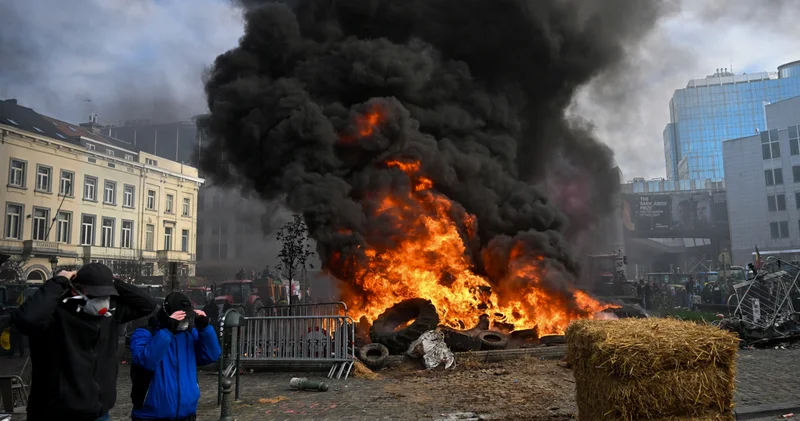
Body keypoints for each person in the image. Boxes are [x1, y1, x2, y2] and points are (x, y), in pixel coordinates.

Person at [12, 263, 156, 421]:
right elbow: (26, 319)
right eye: (95, 294)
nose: (102, 300)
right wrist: (59, 281)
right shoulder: (54, 314)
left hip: (99, 413)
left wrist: (111, 281)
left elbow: (147, 305)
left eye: (106, 294)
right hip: (56, 414)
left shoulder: (110, 315)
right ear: (76, 289)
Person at [130, 292, 221, 421]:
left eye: (186, 317)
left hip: (186, 413)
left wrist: (205, 329)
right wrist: (167, 330)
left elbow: (211, 355)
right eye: (180, 318)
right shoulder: (145, 333)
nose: (184, 321)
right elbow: (147, 361)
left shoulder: (189, 334)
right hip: (151, 415)